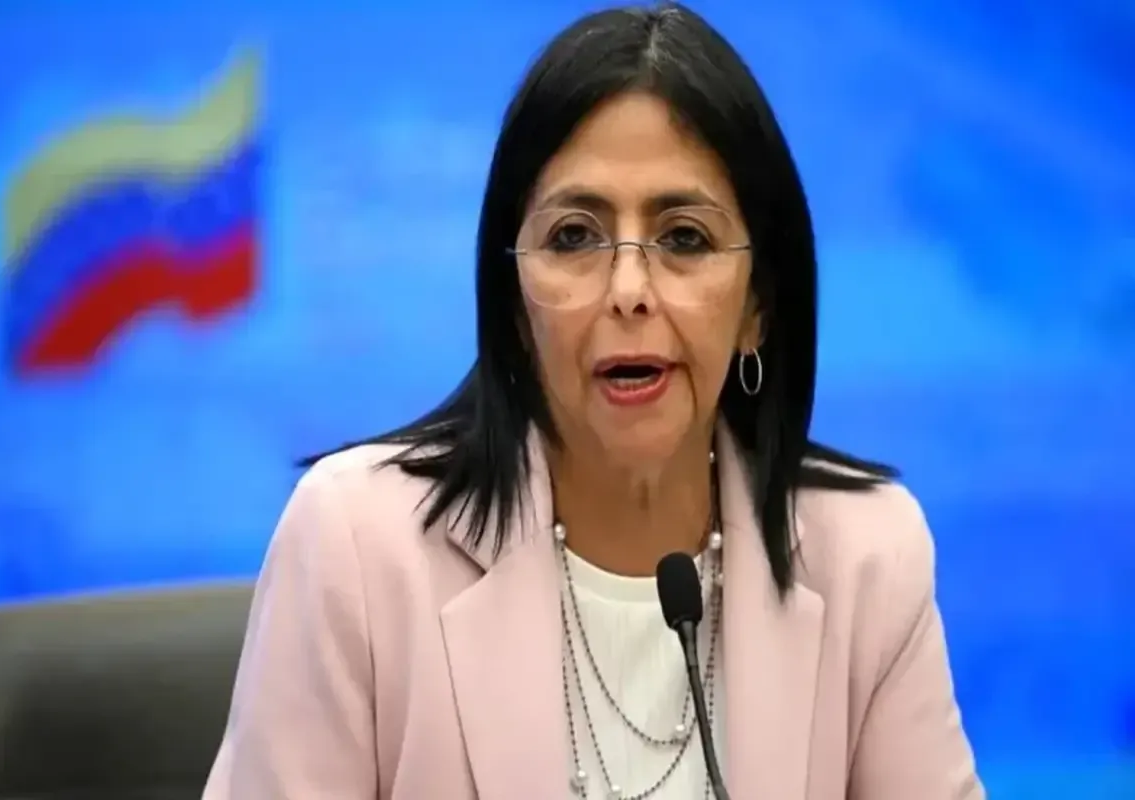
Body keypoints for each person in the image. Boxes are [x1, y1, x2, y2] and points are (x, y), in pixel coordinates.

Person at [203, 3, 984, 798]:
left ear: (758, 305)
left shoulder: (866, 557)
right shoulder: (357, 547)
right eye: (574, 237)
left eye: (684, 238)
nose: (629, 289)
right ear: (514, 302)